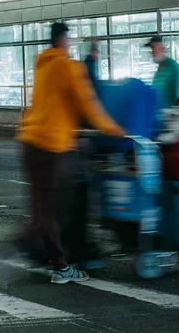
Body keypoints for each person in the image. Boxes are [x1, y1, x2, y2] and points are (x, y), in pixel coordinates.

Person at [11, 22, 126, 285]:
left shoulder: (42, 64)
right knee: (53, 207)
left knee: (42, 207)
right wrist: (116, 130)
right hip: (51, 147)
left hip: (29, 142)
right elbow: (88, 105)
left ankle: (33, 247)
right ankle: (59, 266)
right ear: (64, 41)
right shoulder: (67, 66)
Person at [146, 35, 179, 110]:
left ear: (162, 48)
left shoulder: (174, 68)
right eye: (151, 49)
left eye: (153, 48)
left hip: (171, 118)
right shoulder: (160, 69)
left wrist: (178, 119)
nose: (152, 52)